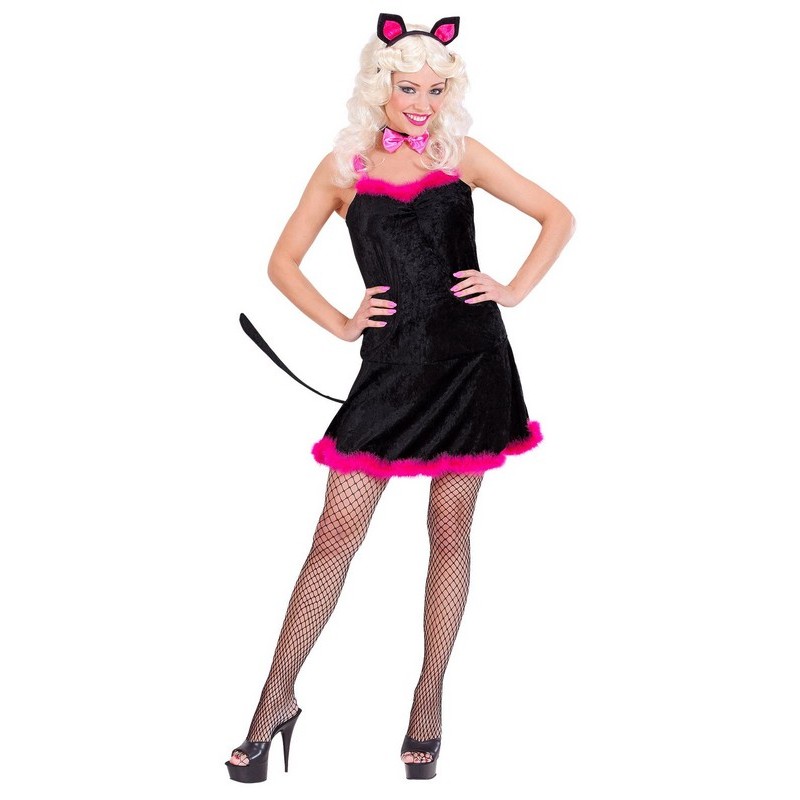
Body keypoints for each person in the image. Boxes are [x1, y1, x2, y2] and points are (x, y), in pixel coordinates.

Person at [225, 12, 575, 783]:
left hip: (471, 363)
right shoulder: (343, 169)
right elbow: (282, 263)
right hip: (390, 371)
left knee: (449, 532)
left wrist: (513, 288)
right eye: (408, 87)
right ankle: (274, 700)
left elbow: (558, 215)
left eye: (435, 89)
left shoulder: (461, 155)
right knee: (332, 537)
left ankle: (428, 703)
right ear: (379, 86)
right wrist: (342, 322)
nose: (422, 103)